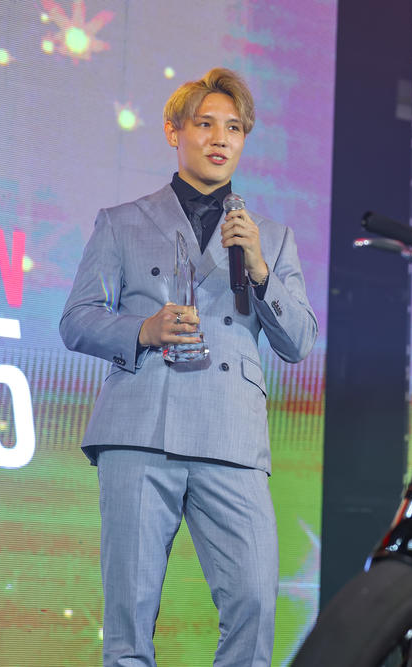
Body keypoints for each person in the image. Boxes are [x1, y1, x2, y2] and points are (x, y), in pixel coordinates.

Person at [60, 67, 318, 667]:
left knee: (254, 602)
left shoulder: (270, 238)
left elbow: (299, 342)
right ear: (174, 131)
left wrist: (259, 269)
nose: (220, 138)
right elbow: (76, 320)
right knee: (130, 617)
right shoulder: (122, 221)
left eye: (234, 128)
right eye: (205, 123)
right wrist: (142, 330)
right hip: (140, 429)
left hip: (231, 435)